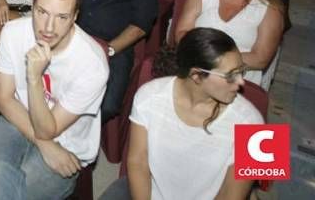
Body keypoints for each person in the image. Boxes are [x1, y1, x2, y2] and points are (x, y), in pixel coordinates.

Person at [0, 0, 109, 200]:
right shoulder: (13, 32)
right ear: (32, 6)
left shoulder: (92, 64)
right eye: (42, 12)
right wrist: (44, 145)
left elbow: (48, 129)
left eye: (62, 17)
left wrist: (34, 78)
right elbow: (3, 99)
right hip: (17, 118)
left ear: (75, 16)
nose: (48, 27)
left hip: (66, 141)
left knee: (13, 190)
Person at [100, 28, 263, 200]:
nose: (241, 82)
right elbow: (137, 162)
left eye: (241, 71)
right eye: (230, 75)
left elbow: (232, 195)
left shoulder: (255, 124)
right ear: (196, 75)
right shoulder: (148, 96)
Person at [174, 0, 284, 90]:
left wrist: (211, 60)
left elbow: (260, 59)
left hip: (239, 85)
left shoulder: (270, 10)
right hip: (195, 74)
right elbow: (182, 33)